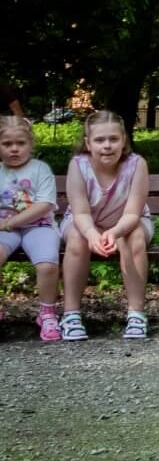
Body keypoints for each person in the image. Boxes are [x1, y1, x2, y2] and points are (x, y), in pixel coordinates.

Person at [60, 111, 153, 341]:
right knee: (77, 239)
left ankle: (136, 314)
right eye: (100, 140)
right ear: (88, 143)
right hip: (84, 222)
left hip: (128, 222)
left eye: (113, 139)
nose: (107, 146)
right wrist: (92, 234)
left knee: (134, 237)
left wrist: (114, 232)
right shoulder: (78, 165)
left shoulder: (137, 164)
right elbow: (80, 212)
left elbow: (132, 213)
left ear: (124, 141)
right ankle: (71, 315)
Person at [0, 115, 61, 341]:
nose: (14, 149)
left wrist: (9, 222)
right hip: (4, 230)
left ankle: (47, 313)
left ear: (31, 144)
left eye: (20, 143)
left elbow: (44, 204)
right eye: (7, 144)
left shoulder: (40, 169)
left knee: (47, 264)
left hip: (39, 226)